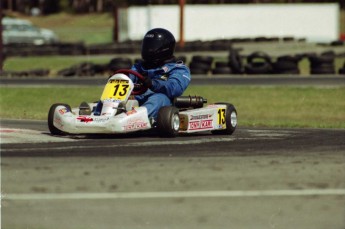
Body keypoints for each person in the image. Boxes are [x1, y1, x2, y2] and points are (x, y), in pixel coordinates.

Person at [129, 28, 191, 120]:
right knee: (114, 99)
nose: (148, 50)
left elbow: (175, 88)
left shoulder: (178, 69)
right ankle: (102, 115)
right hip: (137, 98)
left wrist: (153, 83)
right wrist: (118, 79)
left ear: (164, 48)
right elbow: (128, 80)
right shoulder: (138, 67)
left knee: (159, 98)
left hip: (164, 103)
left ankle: (135, 119)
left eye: (152, 47)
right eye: (147, 46)